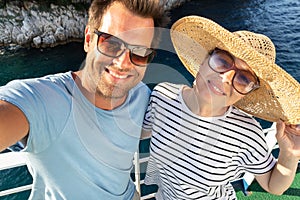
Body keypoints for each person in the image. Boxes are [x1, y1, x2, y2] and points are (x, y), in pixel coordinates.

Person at [0, 0, 169, 199]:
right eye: (112, 43)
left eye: (139, 52)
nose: (123, 63)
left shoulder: (141, 96)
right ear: (89, 39)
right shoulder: (43, 99)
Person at [142, 16, 300, 199]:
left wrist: (289, 154)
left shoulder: (246, 133)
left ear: (246, 93)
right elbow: (137, 133)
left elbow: (274, 187)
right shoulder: (162, 96)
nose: (226, 78)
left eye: (244, 79)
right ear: (203, 61)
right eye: (223, 61)